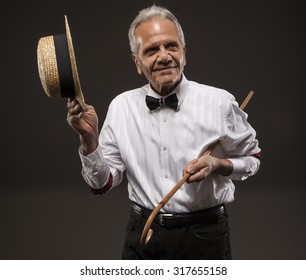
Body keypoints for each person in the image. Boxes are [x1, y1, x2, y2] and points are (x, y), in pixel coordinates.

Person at [67, 5, 261, 260]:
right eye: (151, 50)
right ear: (137, 63)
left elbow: (252, 161)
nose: (164, 56)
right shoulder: (121, 106)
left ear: (184, 53)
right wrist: (89, 140)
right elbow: (102, 183)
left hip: (205, 236)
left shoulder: (221, 103)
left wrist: (218, 164)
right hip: (142, 234)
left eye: (171, 46)